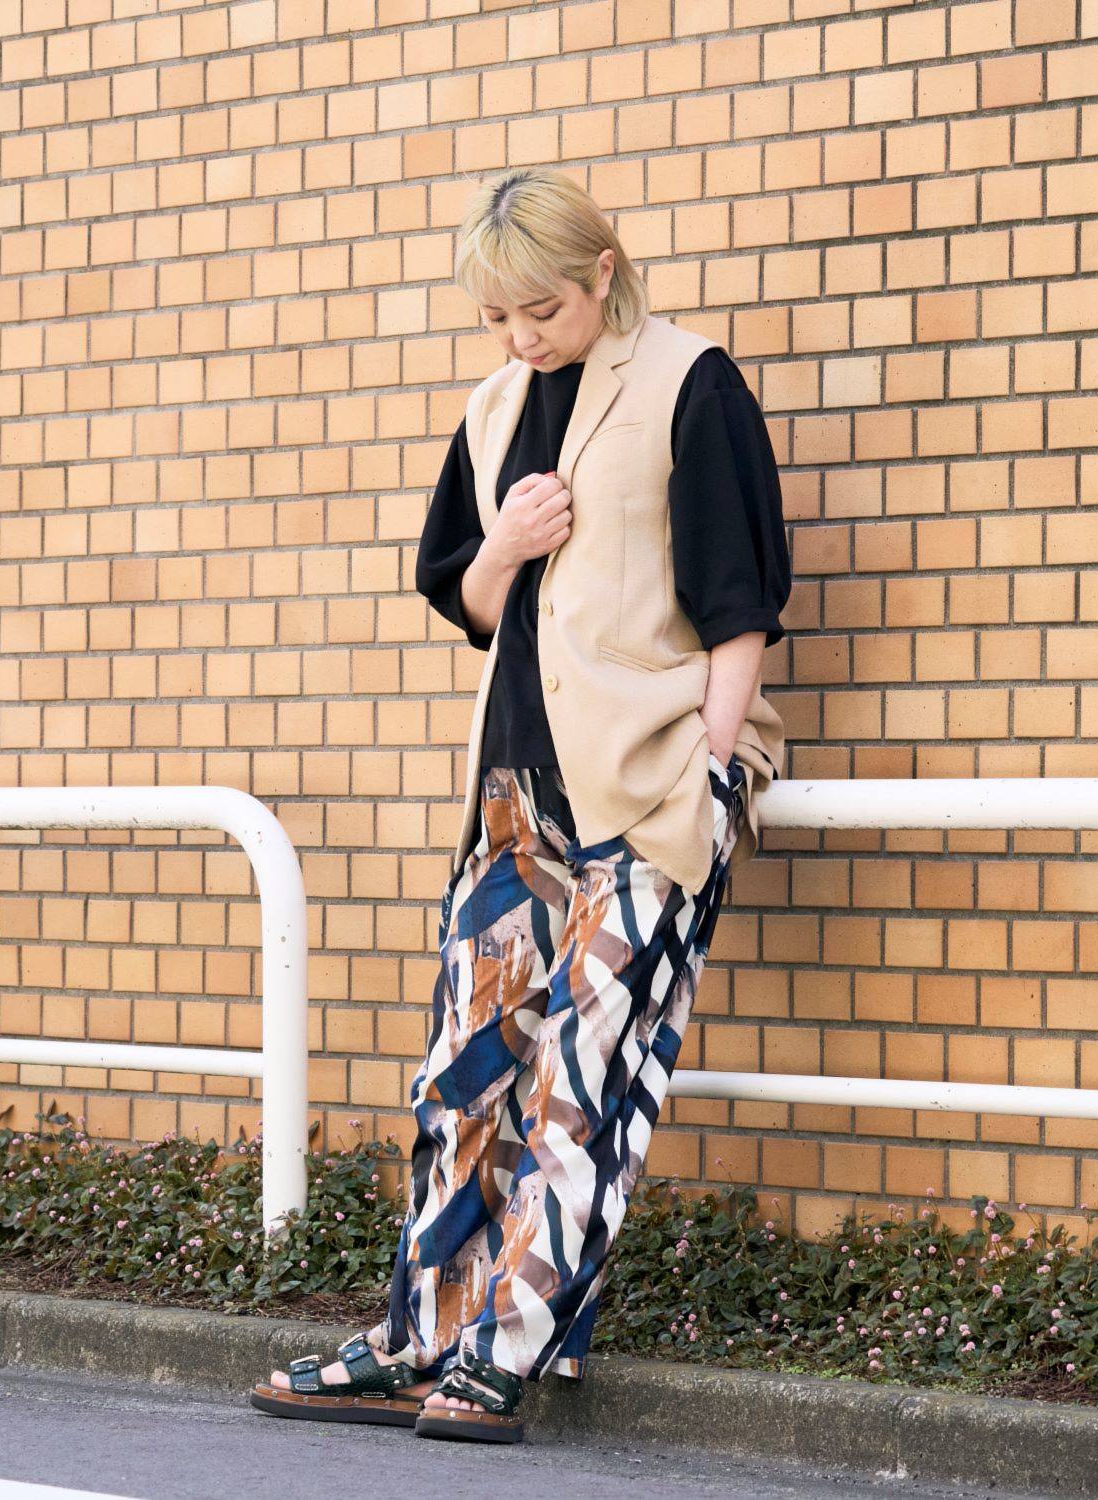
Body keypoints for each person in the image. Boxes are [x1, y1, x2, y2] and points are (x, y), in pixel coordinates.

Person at [251, 166, 790, 1444]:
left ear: (602, 273)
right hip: (515, 798)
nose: (520, 337)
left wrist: (712, 772)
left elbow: (742, 605)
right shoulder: (495, 409)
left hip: (647, 789)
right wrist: (505, 544)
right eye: (498, 316)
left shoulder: (688, 383)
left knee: (581, 1086)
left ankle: (507, 1352)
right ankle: (421, 1338)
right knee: (466, 1077)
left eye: (540, 309)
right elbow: (472, 601)